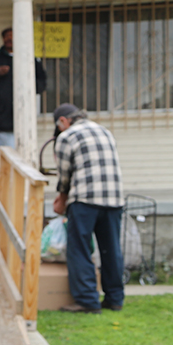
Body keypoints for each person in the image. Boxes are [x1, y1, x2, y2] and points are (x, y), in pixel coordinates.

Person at [52, 103, 124, 314]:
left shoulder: (66, 137)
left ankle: (87, 301)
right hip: (114, 199)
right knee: (111, 250)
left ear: (63, 121)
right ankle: (115, 299)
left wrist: (61, 200)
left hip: (85, 199)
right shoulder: (105, 131)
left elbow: (65, 176)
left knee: (79, 249)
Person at [0, 27, 47, 148]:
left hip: (24, 121)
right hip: (1, 122)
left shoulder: (29, 59)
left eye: (12, 36)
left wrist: (29, 84)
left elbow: (42, 83)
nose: (9, 38)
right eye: (6, 36)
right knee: (6, 158)